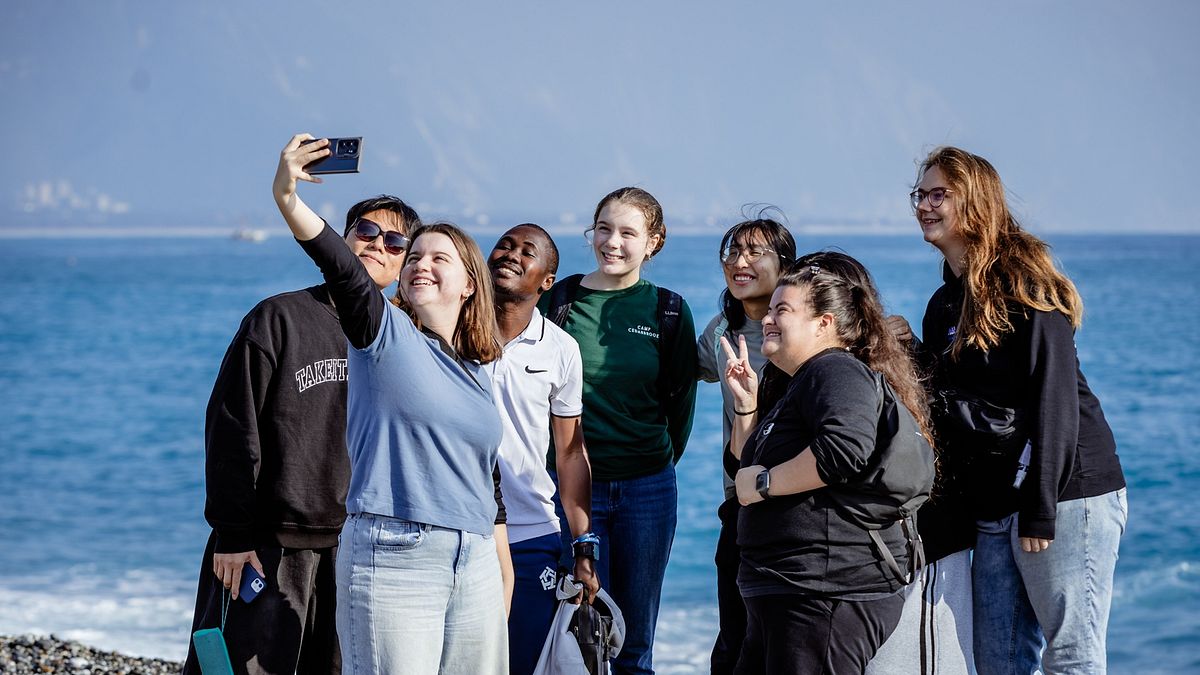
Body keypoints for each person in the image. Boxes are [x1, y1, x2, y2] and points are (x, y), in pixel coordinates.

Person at [272, 134, 513, 675]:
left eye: (437, 257)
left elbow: (483, 479)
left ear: (470, 284)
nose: (419, 264)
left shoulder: (477, 370)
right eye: (415, 257)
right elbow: (340, 265)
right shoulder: (384, 335)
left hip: (471, 558)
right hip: (394, 552)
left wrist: (500, 567)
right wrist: (287, 196)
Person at [901, 146, 1127, 673]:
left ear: (975, 204)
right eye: (921, 195)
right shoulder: (943, 305)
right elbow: (949, 401)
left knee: (1071, 655)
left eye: (940, 195)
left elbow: (1056, 399)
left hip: (1067, 493)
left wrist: (1041, 505)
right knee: (998, 658)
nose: (925, 206)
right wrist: (910, 351)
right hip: (996, 501)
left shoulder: (1025, 284)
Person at [181, 192, 418, 675]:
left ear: (405, 263)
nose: (377, 245)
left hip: (357, 548)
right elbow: (232, 425)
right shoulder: (279, 318)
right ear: (340, 240)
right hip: (269, 546)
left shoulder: (402, 339)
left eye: (394, 242)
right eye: (366, 232)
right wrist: (232, 534)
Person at [722, 252, 932, 674]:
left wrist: (765, 483)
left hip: (823, 592)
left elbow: (843, 451)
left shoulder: (835, 370)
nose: (768, 318)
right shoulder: (799, 383)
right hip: (788, 589)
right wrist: (747, 407)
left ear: (824, 324)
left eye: (783, 309)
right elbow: (743, 470)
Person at [541, 187, 698, 674]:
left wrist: (649, 461)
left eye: (628, 232)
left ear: (653, 242)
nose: (612, 242)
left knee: (632, 644)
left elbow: (679, 406)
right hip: (568, 491)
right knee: (571, 636)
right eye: (603, 229)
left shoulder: (668, 311)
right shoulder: (559, 301)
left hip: (647, 490)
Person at [484, 223, 600, 675]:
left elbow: (570, 453)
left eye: (527, 252)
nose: (511, 254)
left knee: (520, 664)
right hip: (458, 531)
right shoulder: (448, 329)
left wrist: (583, 547)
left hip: (531, 534)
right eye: (505, 245)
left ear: (546, 281)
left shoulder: (562, 349)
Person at [694, 214, 796, 675]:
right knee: (734, 645)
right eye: (733, 252)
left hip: (795, 504)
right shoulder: (720, 332)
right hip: (738, 504)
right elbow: (675, 383)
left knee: (786, 645)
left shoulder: (802, 332)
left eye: (756, 253)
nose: (740, 261)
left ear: (785, 265)